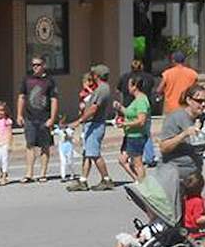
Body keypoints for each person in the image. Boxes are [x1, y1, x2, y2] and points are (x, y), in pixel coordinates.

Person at [68, 64, 115, 192]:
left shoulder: (102, 89)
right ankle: (83, 180)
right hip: (92, 124)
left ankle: (106, 179)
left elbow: (94, 108)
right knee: (87, 154)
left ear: (97, 75)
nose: (92, 76)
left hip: (95, 124)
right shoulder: (101, 88)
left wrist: (79, 120)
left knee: (94, 154)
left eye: (93, 74)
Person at [157, 84, 205, 181]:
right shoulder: (175, 118)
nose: (203, 104)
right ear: (189, 100)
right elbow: (164, 148)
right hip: (173, 175)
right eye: (199, 101)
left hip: (194, 177)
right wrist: (184, 134)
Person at [18, 57, 59, 183]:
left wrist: (52, 118)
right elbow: (21, 97)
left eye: (38, 64)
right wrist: (19, 114)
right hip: (30, 117)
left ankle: (43, 173)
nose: (35, 67)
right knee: (30, 145)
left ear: (44, 65)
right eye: (33, 65)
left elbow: (54, 100)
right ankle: (29, 173)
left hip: (44, 118)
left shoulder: (49, 81)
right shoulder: (27, 79)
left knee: (44, 146)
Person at [115, 73, 150, 181]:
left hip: (136, 136)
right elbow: (130, 113)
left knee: (137, 163)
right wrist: (120, 107)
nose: (127, 87)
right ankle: (138, 180)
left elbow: (141, 121)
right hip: (130, 135)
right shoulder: (136, 100)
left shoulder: (141, 101)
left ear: (134, 86)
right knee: (122, 159)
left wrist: (124, 124)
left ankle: (144, 187)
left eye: (129, 85)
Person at [157, 51, 199, 115]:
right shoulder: (192, 74)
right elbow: (197, 90)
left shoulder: (167, 74)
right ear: (184, 61)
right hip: (187, 107)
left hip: (171, 108)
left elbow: (159, 90)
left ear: (173, 61)